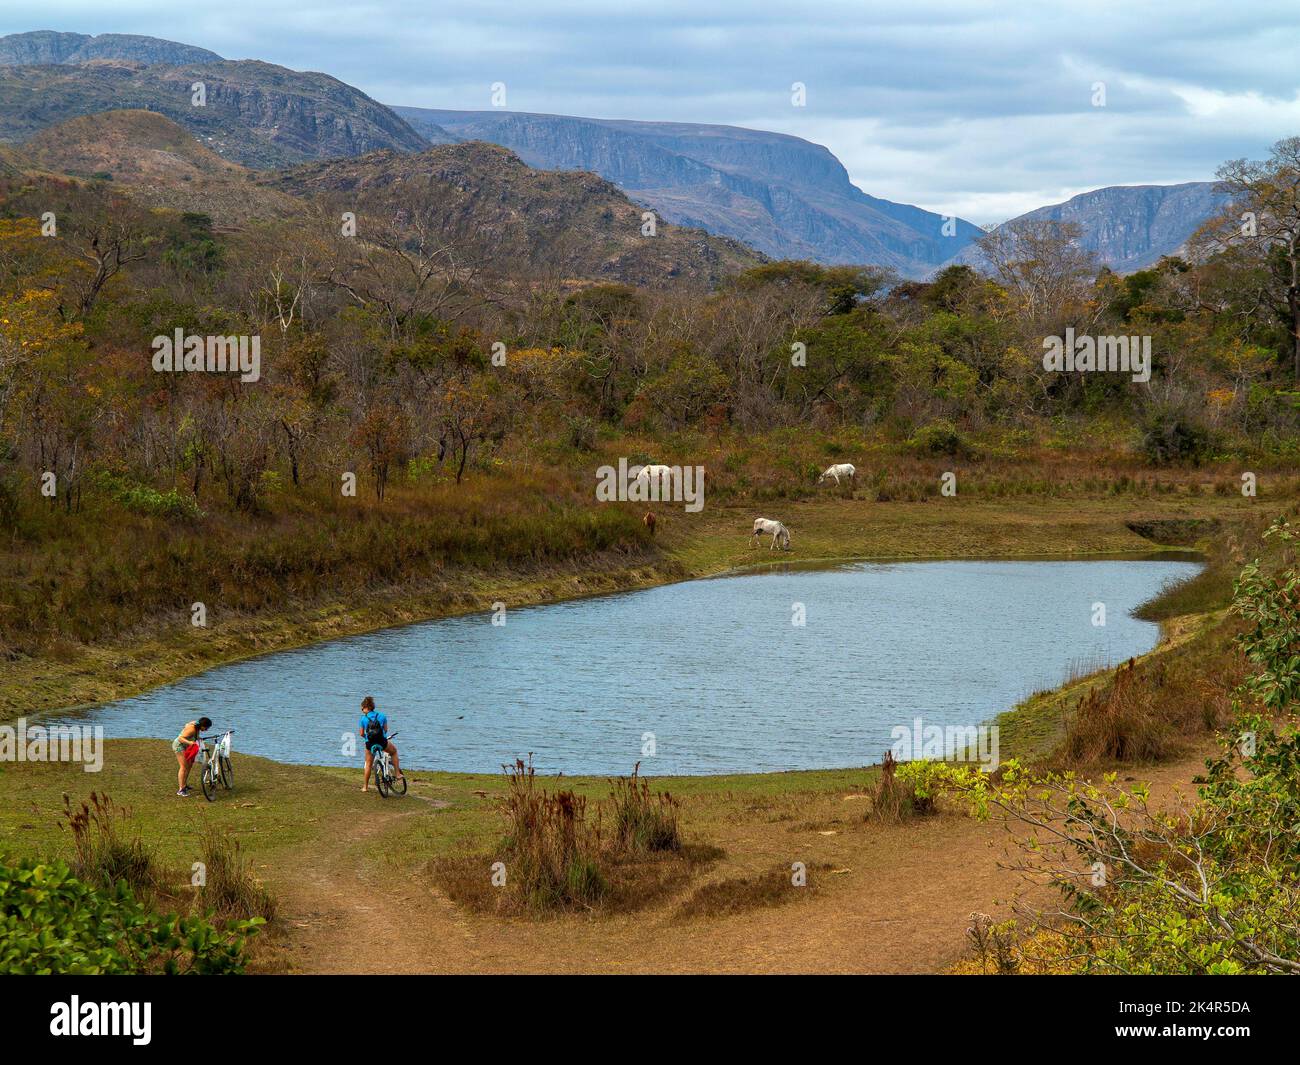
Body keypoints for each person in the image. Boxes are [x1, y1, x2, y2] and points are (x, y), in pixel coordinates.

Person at [358, 696, 403, 792]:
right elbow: (386, 730)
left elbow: (361, 734)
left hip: (370, 744)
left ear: (366, 707)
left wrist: (367, 738)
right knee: (394, 752)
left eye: (362, 708)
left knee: (369, 764)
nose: (362, 710)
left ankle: (365, 787)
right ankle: (398, 774)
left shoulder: (363, 719)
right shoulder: (382, 716)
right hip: (382, 742)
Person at [172, 716, 212, 796]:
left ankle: (184, 784)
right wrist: (190, 743)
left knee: (189, 765)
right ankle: (181, 790)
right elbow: (180, 738)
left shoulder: (196, 725)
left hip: (186, 746)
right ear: (202, 726)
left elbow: (187, 724)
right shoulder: (192, 729)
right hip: (179, 746)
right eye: (206, 728)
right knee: (183, 767)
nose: (206, 730)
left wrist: (197, 738)